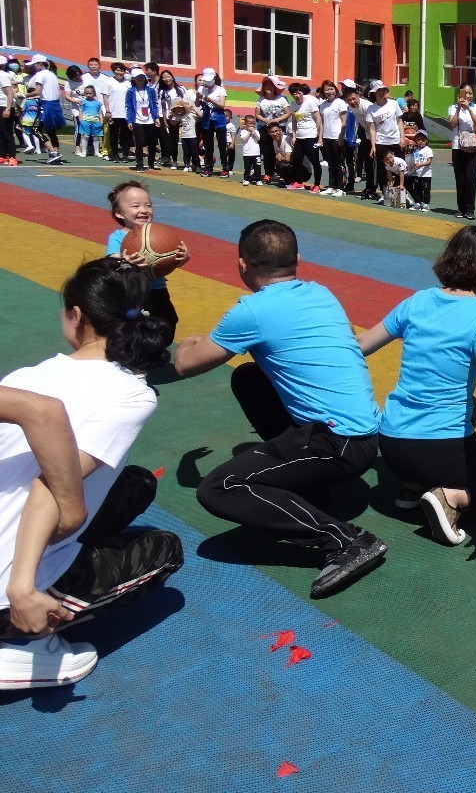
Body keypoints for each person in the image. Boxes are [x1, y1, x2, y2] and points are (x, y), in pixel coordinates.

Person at [173, 220, 387, 599]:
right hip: (363, 435)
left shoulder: (252, 311)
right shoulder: (321, 292)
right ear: (297, 261)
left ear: (242, 266)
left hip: (337, 441)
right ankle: (313, 487)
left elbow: (186, 365)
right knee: (250, 378)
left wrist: (187, 342)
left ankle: (346, 541)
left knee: (219, 488)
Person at [0, 259, 182, 690]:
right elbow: (49, 482)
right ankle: (23, 640)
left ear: (76, 315)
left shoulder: (26, 377)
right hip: (10, 583)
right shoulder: (132, 394)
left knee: (135, 484)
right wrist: (21, 587)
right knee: (165, 550)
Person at [357, 226, 476, 545]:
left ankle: (413, 486)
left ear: (449, 257)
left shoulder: (417, 301)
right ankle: (451, 497)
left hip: (391, 442)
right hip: (436, 448)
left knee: (473, 410)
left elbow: (361, 345)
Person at [104, 180, 188, 346]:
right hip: (131, 293)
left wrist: (182, 259)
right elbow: (112, 261)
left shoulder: (159, 235)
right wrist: (123, 261)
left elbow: (169, 261)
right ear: (119, 213)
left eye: (148, 205)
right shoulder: (118, 237)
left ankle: (153, 351)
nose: (143, 210)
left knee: (168, 322)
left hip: (157, 291)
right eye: (136, 206)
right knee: (131, 328)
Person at [449, 82, 476, 220]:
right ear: (459, 94)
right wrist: (459, 108)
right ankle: (461, 208)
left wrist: (468, 108)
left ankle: (470, 209)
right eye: (464, 93)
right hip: (458, 146)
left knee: (471, 178)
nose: (467, 95)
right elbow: (452, 124)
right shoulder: (453, 108)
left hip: (473, 146)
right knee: (460, 179)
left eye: (470, 93)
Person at [364, 83, 402, 201]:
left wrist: (402, 137)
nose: (381, 92)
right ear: (374, 93)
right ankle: (386, 194)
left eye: (383, 90)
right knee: (383, 170)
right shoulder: (371, 108)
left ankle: (398, 195)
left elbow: (399, 121)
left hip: (395, 140)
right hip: (381, 141)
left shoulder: (393, 104)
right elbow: (372, 128)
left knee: (398, 167)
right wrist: (373, 146)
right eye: (378, 90)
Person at [25, 54, 65, 165]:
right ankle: (56, 152)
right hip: (55, 104)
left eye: (34, 65)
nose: (33, 67)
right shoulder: (51, 74)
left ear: (39, 64)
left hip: (46, 105)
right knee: (51, 130)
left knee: (35, 129)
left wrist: (25, 95)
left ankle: (53, 152)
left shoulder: (40, 74)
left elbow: (37, 91)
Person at [288, 82, 323, 194]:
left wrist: (317, 134)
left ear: (302, 92)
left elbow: (318, 119)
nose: (298, 95)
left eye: (299, 92)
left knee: (315, 161)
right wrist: (294, 136)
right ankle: (299, 182)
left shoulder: (309, 103)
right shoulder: (293, 105)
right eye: (295, 93)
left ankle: (317, 185)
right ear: (292, 95)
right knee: (296, 160)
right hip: (300, 137)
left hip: (311, 136)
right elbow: (294, 121)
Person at [255, 76, 291, 181]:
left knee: (282, 151)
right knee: (267, 152)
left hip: (280, 128)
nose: (269, 87)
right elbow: (257, 114)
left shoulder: (282, 98)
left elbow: (288, 113)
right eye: (266, 85)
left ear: (275, 87)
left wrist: (277, 120)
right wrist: (266, 121)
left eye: (271, 85)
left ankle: (282, 172)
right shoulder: (260, 100)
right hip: (265, 128)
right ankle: (268, 173)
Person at [124, 69, 159, 173]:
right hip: (137, 120)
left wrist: (156, 117)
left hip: (150, 120)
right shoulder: (130, 91)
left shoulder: (150, 90)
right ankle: (139, 164)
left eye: (142, 77)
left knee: (152, 143)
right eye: (138, 77)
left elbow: (154, 104)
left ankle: (151, 163)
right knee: (139, 143)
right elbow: (129, 106)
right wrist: (130, 120)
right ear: (134, 79)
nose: (141, 79)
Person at [197, 69, 229, 177]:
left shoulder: (220, 90)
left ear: (214, 79)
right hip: (206, 120)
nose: (207, 82)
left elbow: (222, 105)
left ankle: (225, 167)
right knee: (208, 145)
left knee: (222, 144)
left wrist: (211, 100)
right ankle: (208, 167)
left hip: (219, 119)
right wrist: (198, 96)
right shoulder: (202, 89)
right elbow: (197, 104)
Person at [317, 81, 347, 196]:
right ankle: (332, 186)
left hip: (337, 137)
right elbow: (322, 123)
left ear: (335, 90)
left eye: (331, 89)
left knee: (339, 164)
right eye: (327, 90)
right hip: (326, 137)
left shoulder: (340, 103)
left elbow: (344, 121)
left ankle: (340, 188)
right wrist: (320, 138)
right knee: (331, 164)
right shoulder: (323, 105)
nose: (330, 92)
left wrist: (341, 137)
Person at [155, 70, 184, 170]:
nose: (167, 79)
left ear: (172, 77)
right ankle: (174, 161)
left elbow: (187, 102)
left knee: (187, 140)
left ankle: (189, 162)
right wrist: (164, 120)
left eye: (168, 76)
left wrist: (183, 116)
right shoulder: (163, 92)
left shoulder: (181, 89)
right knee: (174, 140)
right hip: (171, 118)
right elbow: (163, 107)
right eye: (164, 77)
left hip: (183, 117)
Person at [69, 85, 105, 159]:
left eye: (90, 93)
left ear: (94, 93)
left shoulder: (98, 103)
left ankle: (96, 151)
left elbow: (100, 113)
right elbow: (81, 111)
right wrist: (81, 120)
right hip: (85, 121)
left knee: (96, 137)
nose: (88, 95)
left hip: (95, 121)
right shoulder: (83, 102)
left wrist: (101, 122)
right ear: (84, 94)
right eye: (87, 93)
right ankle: (84, 151)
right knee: (85, 136)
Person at [406, 130, 432, 212]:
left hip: (426, 174)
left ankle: (426, 204)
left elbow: (429, 161)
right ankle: (418, 202)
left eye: (422, 140)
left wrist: (421, 164)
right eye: (418, 140)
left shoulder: (428, 150)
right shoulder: (416, 151)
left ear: (426, 140)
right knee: (417, 189)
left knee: (426, 190)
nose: (420, 141)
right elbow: (414, 160)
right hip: (417, 174)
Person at [239, 112, 264, 186]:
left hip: (256, 152)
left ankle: (258, 179)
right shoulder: (243, 131)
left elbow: (259, 139)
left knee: (257, 167)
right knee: (247, 167)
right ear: (246, 123)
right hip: (247, 153)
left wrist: (253, 132)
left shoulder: (256, 131)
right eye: (249, 123)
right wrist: (249, 132)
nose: (251, 125)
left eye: (253, 123)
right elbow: (244, 139)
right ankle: (246, 179)